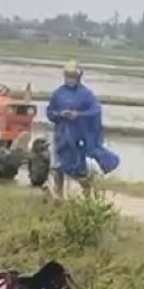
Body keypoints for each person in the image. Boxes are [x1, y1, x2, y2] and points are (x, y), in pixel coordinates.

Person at [46, 60, 119, 198]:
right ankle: (58, 195)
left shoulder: (86, 94)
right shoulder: (58, 94)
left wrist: (78, 115)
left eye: (72, 75)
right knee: (59, 166)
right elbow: (50, 112)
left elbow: (95, 111)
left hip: (78, 136)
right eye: (67, 75)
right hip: (61, 135)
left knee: (79, 168)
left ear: (78, 77)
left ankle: (88, 196)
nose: (70, 78)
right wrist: (60, 115)